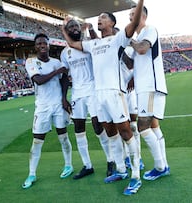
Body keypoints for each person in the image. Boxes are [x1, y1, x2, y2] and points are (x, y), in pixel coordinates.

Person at [61, 0, 144, 195]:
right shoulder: (93, 43)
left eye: (103, 18)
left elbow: (133, 24)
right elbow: (72, 43)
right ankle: (121, 171)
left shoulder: (118, 40)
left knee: (125, 132)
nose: (99, 20)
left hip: (115, 93)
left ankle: (135, 176)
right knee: (111, 134)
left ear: (112, 23)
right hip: (99, 96)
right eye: (98, 18)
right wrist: (64, 28)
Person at [60, 19, 115, 179]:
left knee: (98, 127)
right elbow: (65, 76)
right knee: (78, 129)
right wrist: (64, 98)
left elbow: (100, 43)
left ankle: (110, 160)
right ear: (67, 31)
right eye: (71, 27)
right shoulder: (65, 53)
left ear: (80, 29)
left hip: (93, 91)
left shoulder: (90, 45)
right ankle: (87, 165)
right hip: (77, 93)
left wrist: (91, 29)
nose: (74, 29)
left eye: (76, 26)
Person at [22, 33, 73, 189]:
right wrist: (56, 72)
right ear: (35, 47)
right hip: (43, 106)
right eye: (39, 44)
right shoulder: (31, 62)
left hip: (58, 104)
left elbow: (65, 80)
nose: (42, 46)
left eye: (44, 43)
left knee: (63, 136)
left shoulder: (56, 62)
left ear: (49, 45)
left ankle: (68, 165)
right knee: (37, 140)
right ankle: (32, 173)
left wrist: (64, 98)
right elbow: (39, 80)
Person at [128, 5, 170, 181]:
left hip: (150, 87)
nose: (131, 18)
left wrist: (127, 39)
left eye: (133, 14)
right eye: (130, 15)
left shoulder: (149, 30)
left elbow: (142, 49)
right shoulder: (138, 36)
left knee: (142, 127)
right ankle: (164, 165)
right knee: (153, 126)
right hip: (145, 88)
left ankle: (160, 166)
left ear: (142, 16)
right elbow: (131, 62)